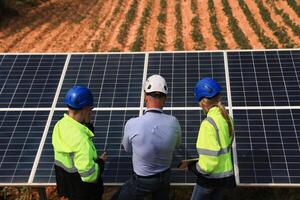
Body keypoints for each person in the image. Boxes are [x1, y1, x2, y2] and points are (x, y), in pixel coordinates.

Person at [111, 74, 182, 200]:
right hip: (164, 178)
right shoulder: (174, 122)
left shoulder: (132, 123)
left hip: (141, 181)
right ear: (165, 98)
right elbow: (176, 144)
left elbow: (127, 149)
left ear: (145, 96)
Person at [179, 78, 235, 200]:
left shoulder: (208, 124)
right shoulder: (228, 119)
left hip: (209, 180)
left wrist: (192, 167)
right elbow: (220, 150)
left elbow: (208, 165)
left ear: (203, 102)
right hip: (224, 178)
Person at [52, 86, 107, 200]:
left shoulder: (59, 125)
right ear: (85, 108)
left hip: (68, 185)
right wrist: (101, 162)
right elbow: (89, 175)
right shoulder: (82, 141)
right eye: (90, 108)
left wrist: (87, 123)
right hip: (85, 192)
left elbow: (72, 142)